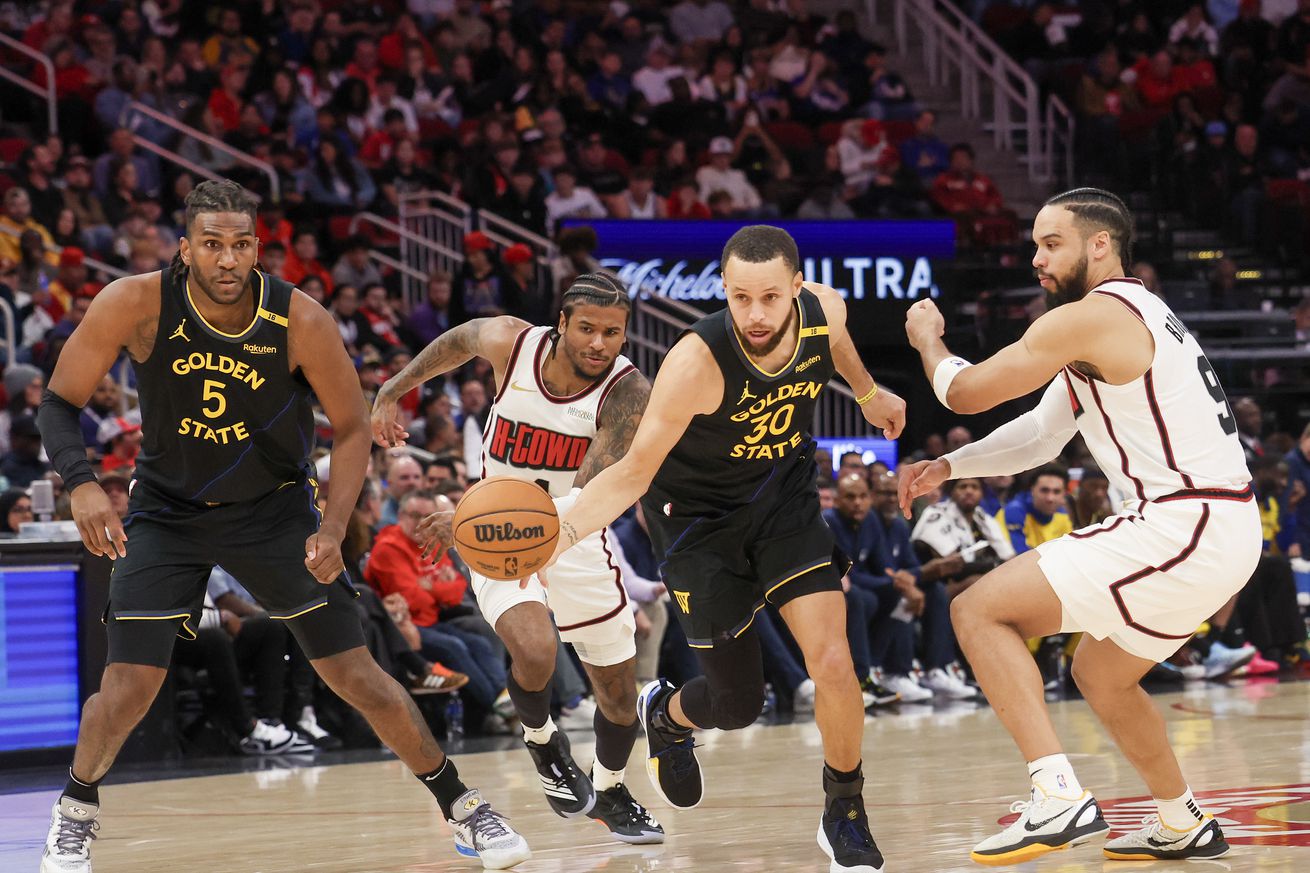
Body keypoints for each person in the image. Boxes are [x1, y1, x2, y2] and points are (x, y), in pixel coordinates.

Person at [35, 180, 529, 873]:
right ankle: (75, 812)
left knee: (357, 673)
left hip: (274, 513)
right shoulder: (135, 302)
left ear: (258, 248)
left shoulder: (301, 319)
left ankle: (463, 807)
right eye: (212, 244)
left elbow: (354, 427)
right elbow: (57, 403)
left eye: (241, 244)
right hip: (167, 515)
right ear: (185, 247)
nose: (227, 259)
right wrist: (83, 483)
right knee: (128, 686)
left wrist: (331, 527)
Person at [900, 187, 1260, 864]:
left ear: (1101, 245)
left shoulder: (1092, 316)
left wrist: (928, 338)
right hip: (1216, 528)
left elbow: (965, 390)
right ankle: (1180, 818)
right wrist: (950, 463)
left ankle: (1056, 793)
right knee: (1100, 671)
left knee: (978, 609)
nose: (1035, 257)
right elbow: (1040, 435)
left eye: (1050, 243)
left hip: (1182, 522)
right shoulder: (1131, 316)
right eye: (1035, 243)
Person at [538, 226, 906, 872]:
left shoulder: (825, 312)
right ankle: (671, 716)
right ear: (725, 292)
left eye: (770, 297)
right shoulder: (694, 362)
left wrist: (871, 394)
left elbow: (837, 343)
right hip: (696, 521)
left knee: (835, 661)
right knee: (739, 703)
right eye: (740, 298)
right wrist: (559, 532)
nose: (756, 315)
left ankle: (844, 807)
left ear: (797, 287)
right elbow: (631, 472)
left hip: (784, 499)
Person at [371, 271, 664, 844]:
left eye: (612, 332)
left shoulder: (629, 393)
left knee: (620, 694)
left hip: (574, 532)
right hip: (494, 536)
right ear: (561, 324)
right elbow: (456, 343)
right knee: (535, 648)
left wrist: (473, 521)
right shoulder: (512, 342)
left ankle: (611, 791)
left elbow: (587, 490)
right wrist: (393, 389)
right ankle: (541, 741)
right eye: (586, 328)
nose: (599, 343)